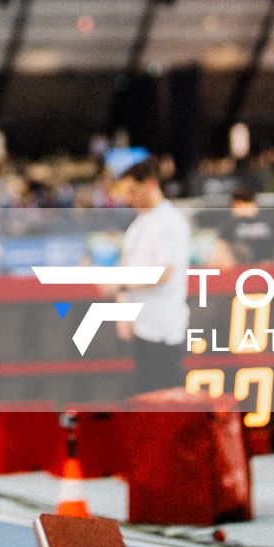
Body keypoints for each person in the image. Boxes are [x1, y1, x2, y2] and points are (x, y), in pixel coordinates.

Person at [112, 160, 190, 397]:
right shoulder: (137, 227)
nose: (128, 198)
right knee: (145, 401)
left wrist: (120, 283)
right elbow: (126, 269)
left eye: (132, 191)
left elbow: (164, 272)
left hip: (164, 330)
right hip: (140, 328)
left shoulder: (171, 222)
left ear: (150, 184)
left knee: (168, 403)